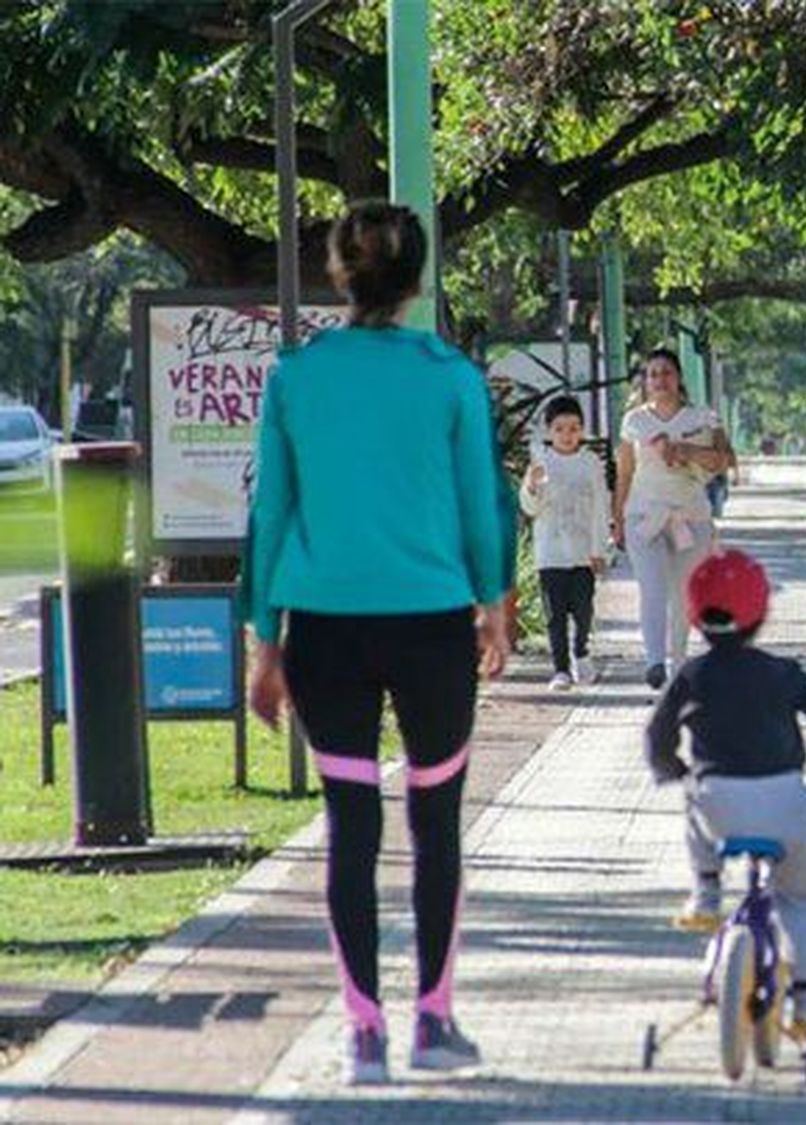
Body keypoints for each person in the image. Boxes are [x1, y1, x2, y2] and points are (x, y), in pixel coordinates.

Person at [243, 201, 514, 1086]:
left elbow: (271, 514)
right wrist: (496, 604)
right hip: (433, 624)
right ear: (417, 279)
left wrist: (262, 639)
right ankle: (432, 1020)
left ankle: (364, 1032)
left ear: (339, 275)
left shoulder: (296, 377)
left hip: (324, 629)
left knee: (349, 826)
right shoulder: (451, 378)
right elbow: (483, 503)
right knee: (436, 824)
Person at [645, 548, 806, 1039]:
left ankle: (707, 889)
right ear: (761, 614)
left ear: (695, 616)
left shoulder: (690, 674)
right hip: (784, 803)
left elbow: (658, 734)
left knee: (693, 800)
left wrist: (670, 767)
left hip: (719, 806)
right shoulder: (783, 673)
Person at [612, 347, 731, 689]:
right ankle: (654, 661)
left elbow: (723, 461)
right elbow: (624, 473)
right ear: (645, 382)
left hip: (690, 517)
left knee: (683, 595)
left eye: (666, 373)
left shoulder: (703, 418)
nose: (659, 380)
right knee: (651, 588)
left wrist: (686, 451)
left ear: (679, 378)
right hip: (643, 518)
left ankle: (678, 663)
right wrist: (617, 518)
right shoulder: (634, 421)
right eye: (652, 374)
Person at [520, 394, 610, 691]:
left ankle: (581, 651)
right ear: (549, 432)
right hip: (550, 554)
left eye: (574, 428)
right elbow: (530, 508)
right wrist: (533, 485)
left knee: (583, 611)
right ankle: (560, 669)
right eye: (559, 429)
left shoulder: (591, 463)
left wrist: (599, 549)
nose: (567, 435)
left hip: (583, 553)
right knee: (555, 615)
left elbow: (600, 507)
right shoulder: (540, 463)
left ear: (582, 430)